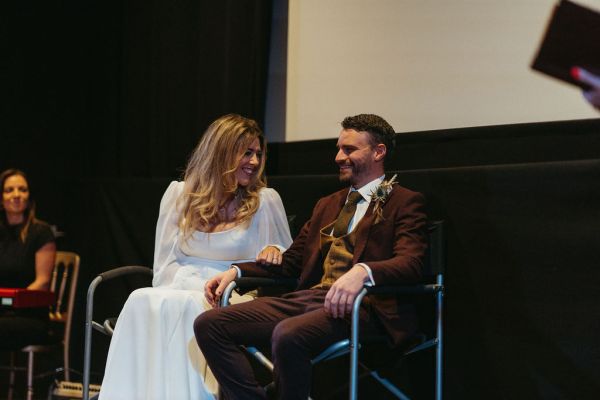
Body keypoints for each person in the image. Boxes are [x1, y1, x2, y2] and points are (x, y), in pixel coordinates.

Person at [195, 113, 428, 400]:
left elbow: (412, 262)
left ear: (379, 152)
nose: (338, 157)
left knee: (289, 334)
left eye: (349, 149)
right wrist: (237, 272)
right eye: (339, 148)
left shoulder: (404, 201)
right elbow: (292, 261)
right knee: (211, 324)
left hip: (364, 308)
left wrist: (363, 272)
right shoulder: (327, 205)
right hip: (311, 299)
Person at [99, 114, 292, 400]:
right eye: (246, 153)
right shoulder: (180, 195)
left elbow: (288, 259)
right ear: (221, 154)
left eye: (258, 154)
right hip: (181, 282)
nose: (254, 162)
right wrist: (179, 286)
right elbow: (165, 263)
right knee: (141, 298)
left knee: (191, 304)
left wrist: (276, 251)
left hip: (232, 290)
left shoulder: (265, 201)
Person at [0, 169, 56, 351]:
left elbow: (43, 282)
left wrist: (14, 302)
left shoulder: (40, 233)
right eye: (9, 190)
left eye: (22, 189)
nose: (16, 195)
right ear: (1, 198)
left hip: (29, 316)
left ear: (29, 195)